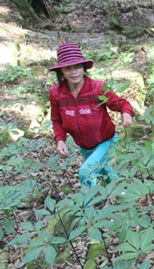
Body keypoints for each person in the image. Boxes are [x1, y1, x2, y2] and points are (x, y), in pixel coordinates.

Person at [49, 42, 134, 188]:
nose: (73, 72)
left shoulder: (97, 88)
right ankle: (123, 197)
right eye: (68, 68)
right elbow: (56, 120)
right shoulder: (57, 93)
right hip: (84, 147)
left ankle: (88, 209)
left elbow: (121, 103)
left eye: (77, 67)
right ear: (61, 71)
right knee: (107, 176)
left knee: (86, 174)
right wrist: (60, 140)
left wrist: (126, 113)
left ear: (83, 68)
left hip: (106, 142)